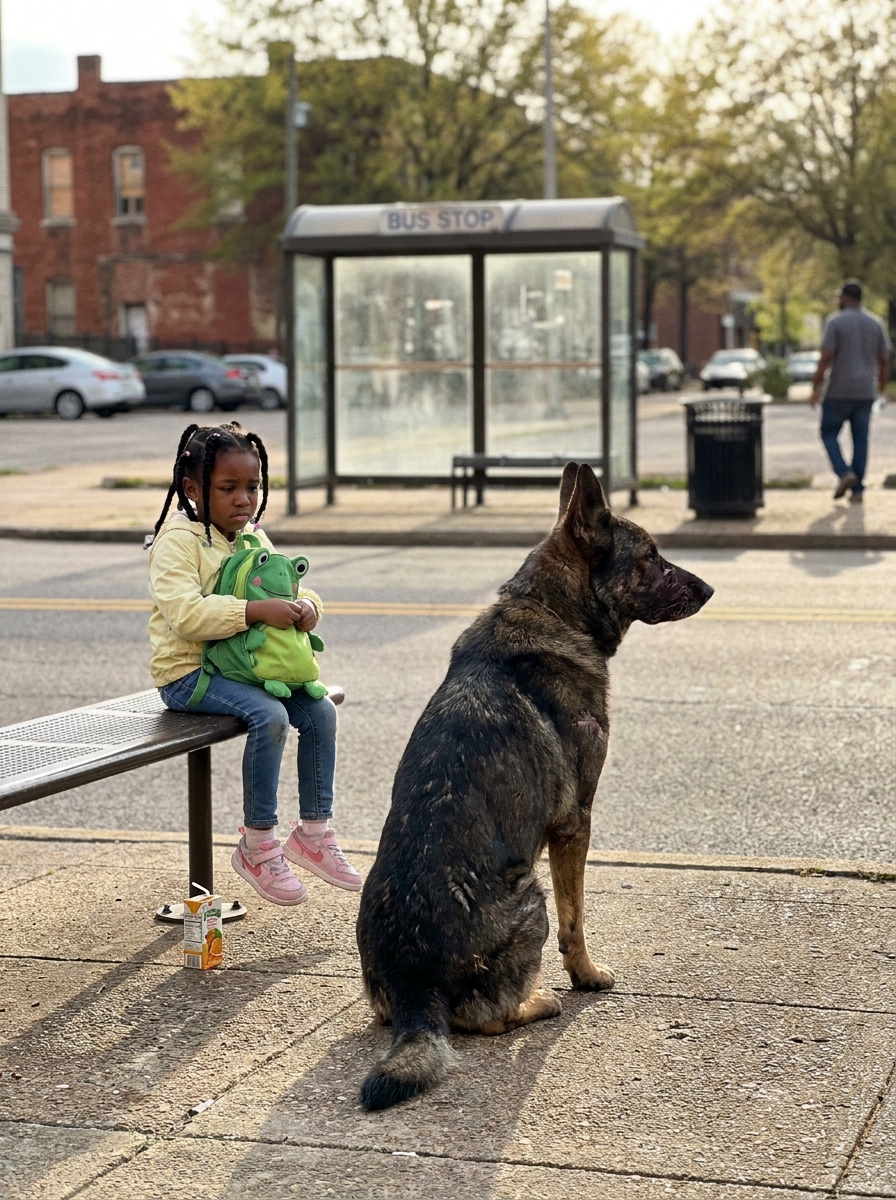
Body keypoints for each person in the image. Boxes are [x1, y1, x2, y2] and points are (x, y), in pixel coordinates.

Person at [146, 421, 361, 904]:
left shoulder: (251, 537)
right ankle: (258, 845)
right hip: (189, 674)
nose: (243, 499)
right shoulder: (177, 541)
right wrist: (253, 612)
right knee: (270, 715)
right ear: (193, 490)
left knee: (321, 711)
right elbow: (184, 616)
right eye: (228, 488)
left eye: (253, 486)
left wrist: (308, 606)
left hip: (245, 667)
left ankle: (313, 834)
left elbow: (287, 584)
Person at [810, 282, 891, 503]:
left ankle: (844, 472)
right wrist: (881, 389)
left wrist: (816, 387)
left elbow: (826, 356)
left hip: (838, 390)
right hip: (865, 391)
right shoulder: (876, 323)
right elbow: (884, 360)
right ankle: (857, 491)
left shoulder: (835, 322)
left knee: (828, 433)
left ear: (845, 298)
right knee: (861, 439)